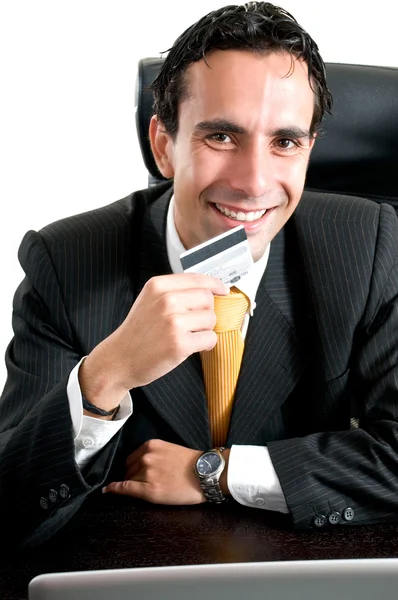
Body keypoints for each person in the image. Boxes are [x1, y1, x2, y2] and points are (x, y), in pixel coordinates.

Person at [1, 1, 398, 551]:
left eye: (285, 142)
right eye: (222, 137)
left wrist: (215, 472)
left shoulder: (368, 244)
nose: (254, 182)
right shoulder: (65, 260)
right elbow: (9, 507)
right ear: (163, 144)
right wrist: (106, 375)